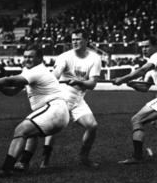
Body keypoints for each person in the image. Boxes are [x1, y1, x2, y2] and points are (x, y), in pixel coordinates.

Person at [0, 44, 70, 177]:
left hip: (54, 110)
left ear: (40, 59)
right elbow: (12, 91)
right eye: (25, 57)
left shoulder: (37, 71)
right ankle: (23, 163)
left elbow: (9, 80)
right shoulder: (28, 71)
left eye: (31, 57)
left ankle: (6, 169)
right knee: (31, 132)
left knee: (21, 130)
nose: (27, 60)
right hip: (55, 111)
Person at [16, 30, 101, 170]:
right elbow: (55, 75)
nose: (75, 42)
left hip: (78, 99)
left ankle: (83, 157)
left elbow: (92, 84)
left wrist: (78, 82)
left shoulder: (95, 58)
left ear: (86, 41)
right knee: (48, 128)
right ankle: (39, 160)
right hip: (61, 97)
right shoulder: (64, 57)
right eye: (73, 39)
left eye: (78, 39)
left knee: (92, 126)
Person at [112, 37, 157, 164]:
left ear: (155, 46)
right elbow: (145, 87)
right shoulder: (153, 67)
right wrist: (131, 84)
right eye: (142, 47)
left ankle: (137, 157)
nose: (144, 49)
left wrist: (122, 79)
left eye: (146, 46)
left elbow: (142, 70)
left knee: (136, 120)